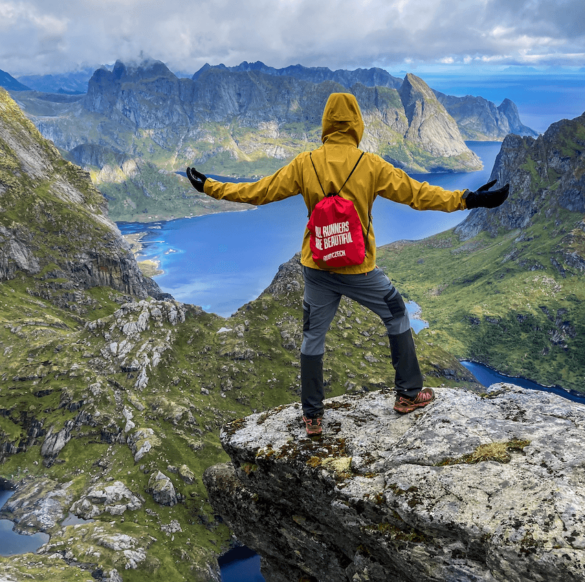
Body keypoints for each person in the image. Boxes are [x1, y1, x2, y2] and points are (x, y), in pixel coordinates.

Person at [186, 93, 509, 436]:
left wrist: (210, 186)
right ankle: (409, 394)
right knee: (396, 314)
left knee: (313, 339)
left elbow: (257, 192)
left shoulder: (304, 163)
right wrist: (469, 198)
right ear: (356, 123)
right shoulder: (370, 164)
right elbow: (418, 194)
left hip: (317, 269)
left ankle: (312, 417)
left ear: (326, 123)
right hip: (360, 270)